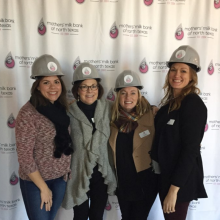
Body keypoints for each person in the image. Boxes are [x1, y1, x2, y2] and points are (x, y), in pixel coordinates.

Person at [151, 45, 208, 220]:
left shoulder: (193, 104)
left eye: (183, 71)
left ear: (192, 76)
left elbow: (190, 150)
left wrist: (174, 190)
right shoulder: (170, 105)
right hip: (165, 177)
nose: (177, 75)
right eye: (173, 70)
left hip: (178, 182)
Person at [15, 54, 73, 220]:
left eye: (56, 82)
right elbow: (25, 157)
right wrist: (43, 188)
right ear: (38, 86)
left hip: (60, 178)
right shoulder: (28, 114)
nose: (52, 86)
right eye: (46, 82)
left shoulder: (62, 108)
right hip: (36, 182)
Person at [62, 63, 117, 220]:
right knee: (79, 216)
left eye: (93, 86)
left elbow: (131, 111)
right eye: (84, 87)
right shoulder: (68, 112)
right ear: (77, 90)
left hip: (102, 173)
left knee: (97, 215)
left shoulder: (109, 108)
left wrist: (151, 107)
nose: (90, 91)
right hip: (79, 173)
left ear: (98, 88)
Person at [109, 70, 158, 220]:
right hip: (122, 181)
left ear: (139, 95)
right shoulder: (110, 117)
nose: (128, 97)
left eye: (132, 92)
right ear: (118, 96)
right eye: (123, 93)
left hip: (145, 181)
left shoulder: (152, 115)